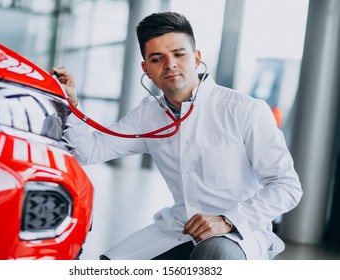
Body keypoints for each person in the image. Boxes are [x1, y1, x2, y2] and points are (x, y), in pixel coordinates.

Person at [51, 12, 302, 260]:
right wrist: (69, 103)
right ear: (146, 69)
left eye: (179, 54)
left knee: (214, 255)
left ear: (196, 58)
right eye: (157, 58)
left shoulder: (245, 110)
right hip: (178, 228)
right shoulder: (148, 115)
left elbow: (287, 186)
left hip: (239, 233)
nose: (169, 64)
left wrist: (228, 220)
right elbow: (89, 151)